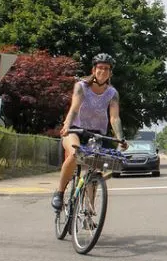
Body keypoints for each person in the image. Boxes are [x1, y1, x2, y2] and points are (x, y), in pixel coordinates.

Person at [51, 53, 127, 212]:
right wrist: (67, 125)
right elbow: (74, 108)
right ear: (94, 69)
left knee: (93, 171)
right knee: (74, 154)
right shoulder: (81, 86)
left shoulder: (112, 93)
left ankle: (88, 210)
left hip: (96, 135)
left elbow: (114, 118)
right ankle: (59, 192)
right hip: (75, 130)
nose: (103, 71)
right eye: (100, 68)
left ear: (110, 73)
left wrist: (120, 138)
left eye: (107, 69)